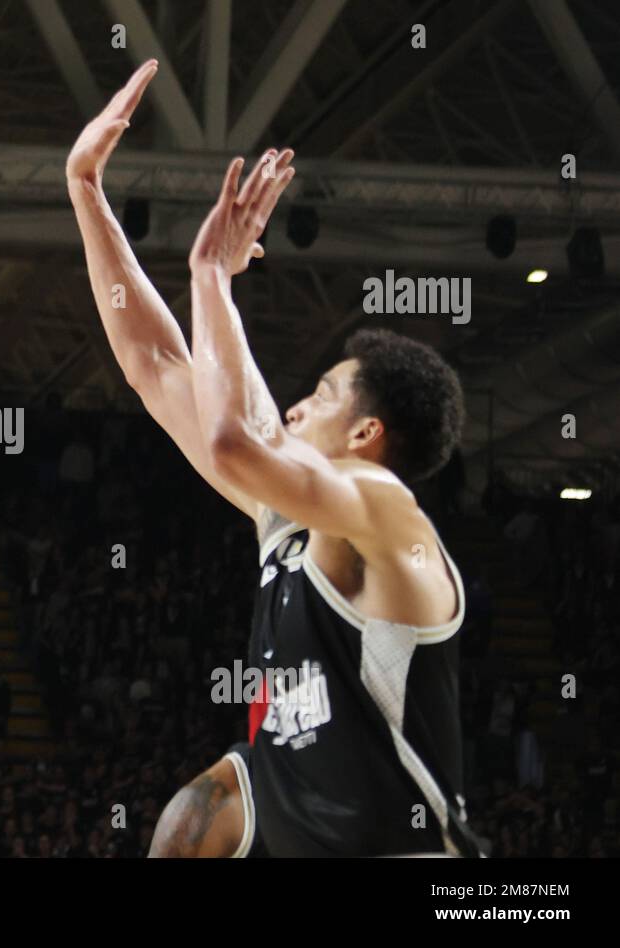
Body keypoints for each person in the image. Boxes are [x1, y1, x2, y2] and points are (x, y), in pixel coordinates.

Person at [68, 61, 481, 857]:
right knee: (196, 816)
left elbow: (233, 438)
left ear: (367, 436)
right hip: (299, 813)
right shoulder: (287, 512)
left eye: (323, 395)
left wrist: (212, 279)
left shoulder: (383, 510)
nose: (297, 406)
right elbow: (157, 365)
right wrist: (85, 189)